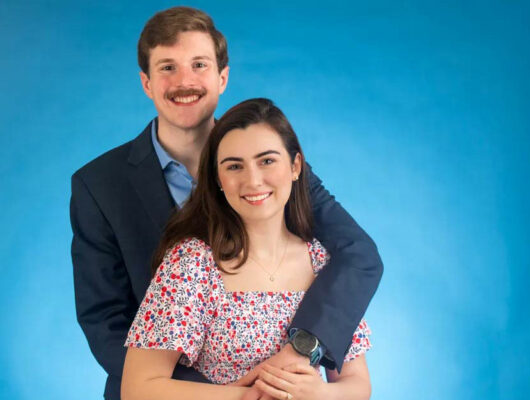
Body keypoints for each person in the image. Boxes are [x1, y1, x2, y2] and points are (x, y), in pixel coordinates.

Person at [70, 7, 382, 400]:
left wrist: (300, 355)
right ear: (146, 82)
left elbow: (359, 256)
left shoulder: (277, 169)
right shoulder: (100, 185)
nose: (184, 81)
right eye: (167, 67)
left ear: (222, 77)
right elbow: (105, 320)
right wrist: (232, 393)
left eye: (198, 64)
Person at [122, 98, 373, 400]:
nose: (253, 180)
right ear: (217, 179)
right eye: (234, 166)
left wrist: (320, 394)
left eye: (267, 161)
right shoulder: (192, 263)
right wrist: (247, 397)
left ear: (295, 166)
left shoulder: (323, 261)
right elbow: (139, 388)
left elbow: (357, 384)